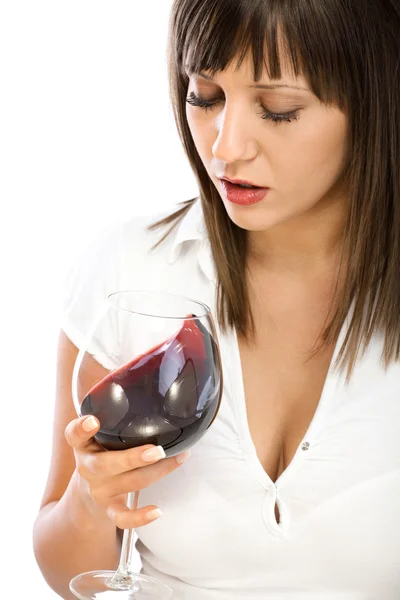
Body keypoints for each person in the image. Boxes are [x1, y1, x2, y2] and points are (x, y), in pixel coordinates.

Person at [33, 0, 400, 598]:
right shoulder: (132, 267)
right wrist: (88, 499)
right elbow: (67, 577)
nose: (226, 147)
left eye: (278, 110)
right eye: (205, 96)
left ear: (377, 98)